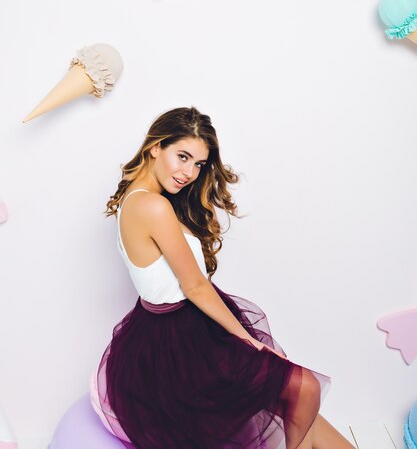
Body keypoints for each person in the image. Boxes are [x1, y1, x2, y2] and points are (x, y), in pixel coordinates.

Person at [91, 106, 354, 449]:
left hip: (184, 326)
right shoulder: (152, 206)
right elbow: (196, 286)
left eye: (198, 164)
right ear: (155, 146)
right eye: (182, 156)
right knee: (305, 388)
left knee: (300, 403)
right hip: (176, 341)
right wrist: (250, 341)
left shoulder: (143, 199)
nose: (189, 172)